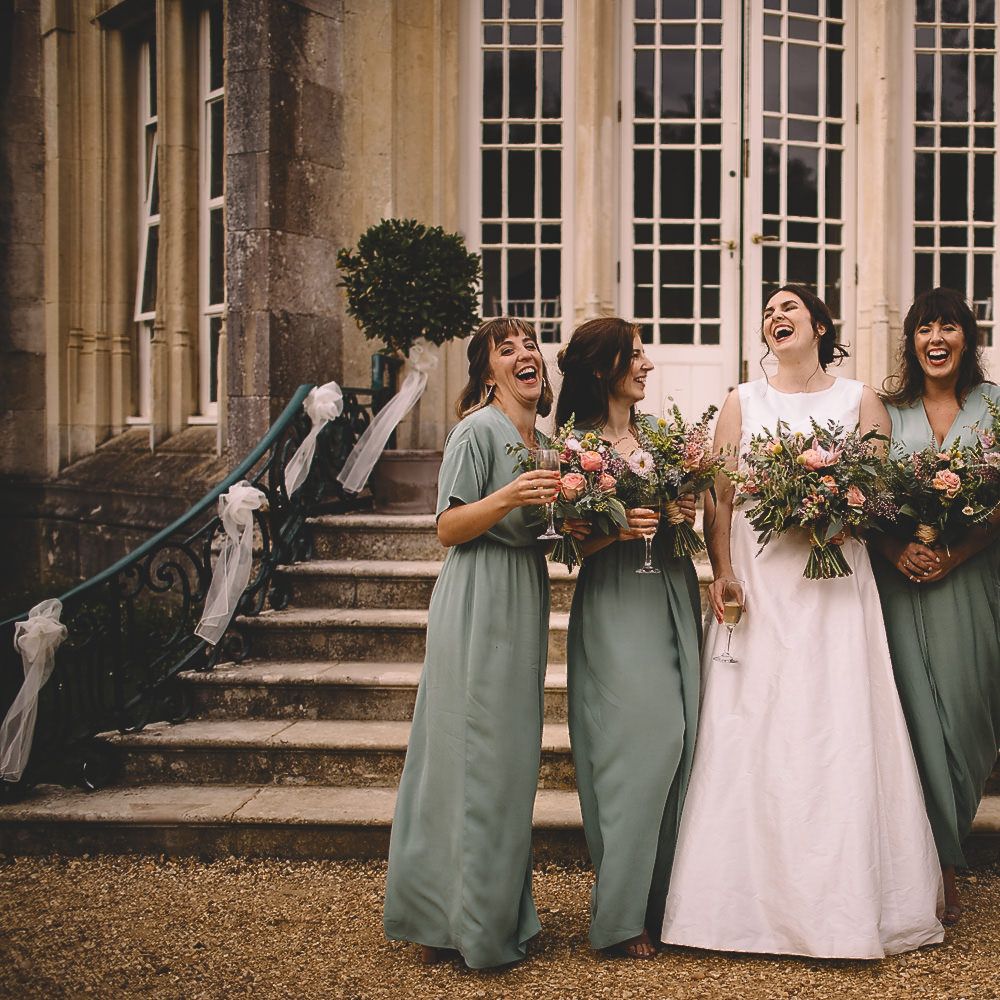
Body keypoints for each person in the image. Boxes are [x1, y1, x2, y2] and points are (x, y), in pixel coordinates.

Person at [661, 285, 944, 959]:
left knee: (834, 726)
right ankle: (732, 911)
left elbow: (880, 498)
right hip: (761, 584)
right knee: (752, 723)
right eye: (768, 311)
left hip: (835, 586)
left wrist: (834, 507)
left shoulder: (859, 402)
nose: (775, 317)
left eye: (790, 308)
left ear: (820, 325)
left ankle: (840, 908)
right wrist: (720, 572)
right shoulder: (741, 401)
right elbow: (720, 498)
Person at [383, 317, 571, 969]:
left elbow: (546, 528)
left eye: (530, 345)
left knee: (511, 765)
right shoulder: (475, 430)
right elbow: (447, 526)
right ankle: (456, 923)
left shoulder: (544, 440)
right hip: (475, 597)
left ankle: (491, 910)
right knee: (471, 760)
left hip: (522, 596)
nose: (524, 354)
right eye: (506, 347)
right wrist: (509, 495)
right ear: (487, 370)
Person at [555, 318, 702, 959]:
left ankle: (665, 900)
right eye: (634, 355)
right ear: (601, 371)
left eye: (643, 354)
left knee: (686, 737)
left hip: (669, 591)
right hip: (616, 601)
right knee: (646, 743)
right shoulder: (575, 448)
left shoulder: (656, 439)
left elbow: (679, 518)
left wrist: (681, 512)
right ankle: (618, 916)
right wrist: (614, 531)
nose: (646, 364)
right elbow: (565, 544)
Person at [870, 286, 1000, 927]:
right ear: (912, 341)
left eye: (948, 327)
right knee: (915, 716)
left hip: (972, 578)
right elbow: (860, 499)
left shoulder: (995, 406)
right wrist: (897, 551)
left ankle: (951, 835)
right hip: (901, 584)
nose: (936, 339)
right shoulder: (887, 411)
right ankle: (938, 866)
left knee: (971, 714)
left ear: (966, 339)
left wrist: (960, 550)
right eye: (925, 328)